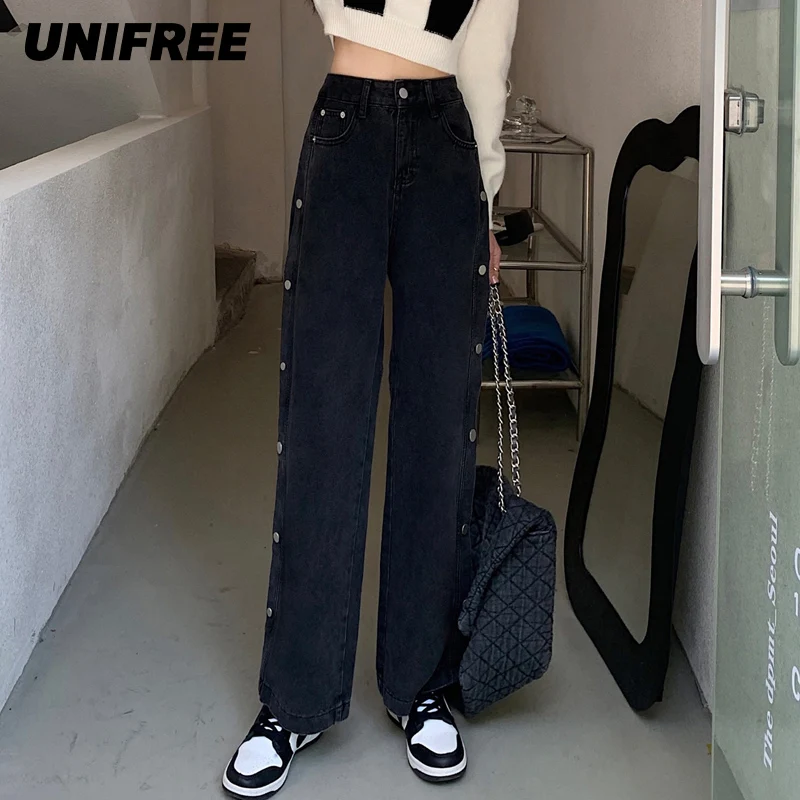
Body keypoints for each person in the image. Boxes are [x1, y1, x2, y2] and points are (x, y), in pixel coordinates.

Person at [223, 1, 519, 796]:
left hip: (448, 139)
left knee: (438, 421)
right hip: (346, 127)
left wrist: (487, 201)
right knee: (323, 414)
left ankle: (420, 684)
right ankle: (295, 699)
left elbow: (486, 56)